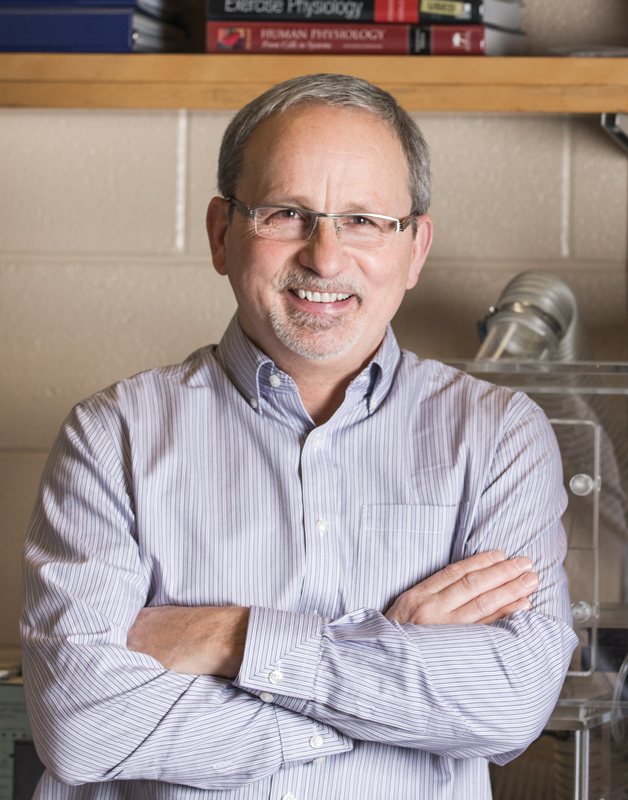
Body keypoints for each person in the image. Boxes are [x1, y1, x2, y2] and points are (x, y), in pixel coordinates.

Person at [21, 73, 577, 800]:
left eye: (364, 220)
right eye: (286, 213)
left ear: (415, 249)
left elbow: (508, 704)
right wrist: (387, 666)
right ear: (222, 234)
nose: (323, 255)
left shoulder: (500, 438)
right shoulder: (111, 437)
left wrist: (232, 640)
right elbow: (82, 726)